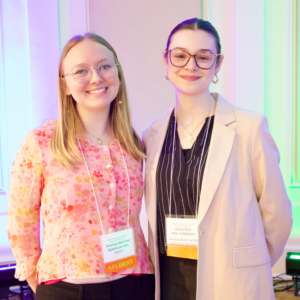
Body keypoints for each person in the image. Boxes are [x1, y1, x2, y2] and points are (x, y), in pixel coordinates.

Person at [142, 18, 293, 300]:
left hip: (231, 280)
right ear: (166, 61)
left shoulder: (250, 128)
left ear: (218, 65)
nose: (191, 66)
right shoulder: (151, 135)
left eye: (203, 57)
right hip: (169, 276)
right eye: (180, 56)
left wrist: (250, 264)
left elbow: (278, 216)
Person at [7, 33, 154, 300]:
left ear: (118, 75)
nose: (96, 78)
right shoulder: (41, 143)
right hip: (67, 289)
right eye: (81, 71)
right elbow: (22, 221)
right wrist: (37, 283)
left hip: (134, 286)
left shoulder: (132, 142)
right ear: (65, 86)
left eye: (105, 66)